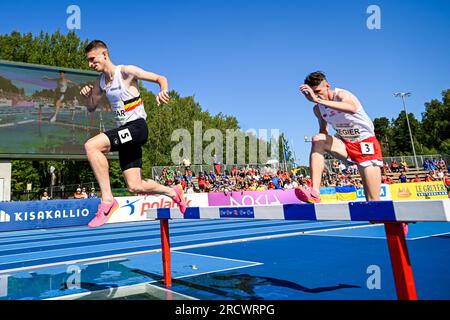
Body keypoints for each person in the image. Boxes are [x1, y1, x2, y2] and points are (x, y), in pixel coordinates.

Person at [80, 40, 186, 228]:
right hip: (126, 134)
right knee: (135, 185)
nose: (90, 64)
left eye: (92, 59)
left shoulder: (126, 72)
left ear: (104, 54)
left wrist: (163, 90)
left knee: (92, 146)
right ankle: (173, 192)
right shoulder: (101, 82)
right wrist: (87, 95)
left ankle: (107, 201)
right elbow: (91, 107)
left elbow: (160, 78)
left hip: (137, 128)